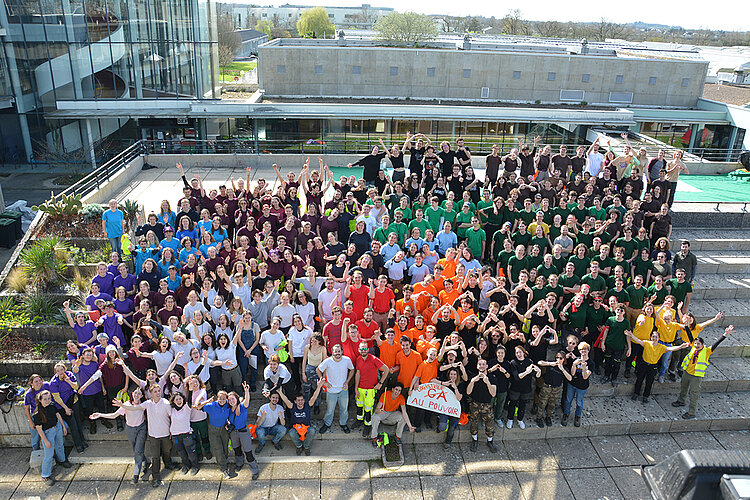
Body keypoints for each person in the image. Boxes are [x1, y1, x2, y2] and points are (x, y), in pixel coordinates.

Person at [114, 384, 175, 488]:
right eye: (155, 391)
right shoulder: (147, 404)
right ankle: (156, 477)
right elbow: (134, 408)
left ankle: (168, 464)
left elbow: (172, 417)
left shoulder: (166, 403)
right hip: (153, 435)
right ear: (151, 394)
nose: (158, 393)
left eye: (159, 391)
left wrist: (172, 431)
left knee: (166, 451)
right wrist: (122, 405)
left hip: (165, 433)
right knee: (155, 457)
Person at [90, 383, 150, 484]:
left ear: (142, 396)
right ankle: (145, 461)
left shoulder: (143, 405)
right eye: (135, 393)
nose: (136, 395)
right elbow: (114, 415)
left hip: (141, 429)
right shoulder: (126, 404)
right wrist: (100, 415)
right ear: (132, 394)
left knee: (137, 451)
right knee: (136, 449)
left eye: (139, 394)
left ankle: (136, 474)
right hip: (130, 429)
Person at [672, 325, 734, 419]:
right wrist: (686, 325)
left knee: (694, 393)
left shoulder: (707, 351)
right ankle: (681, 401)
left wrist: (725, 334)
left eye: (699, 344)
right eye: (695, 343)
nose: (696, 345)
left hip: (696, 376)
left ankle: (691, 412)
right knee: (683, 388)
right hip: (687, 372)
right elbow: (690, 335)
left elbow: (716, 343)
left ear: (703, 344)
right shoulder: (693, 347)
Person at [629, 331, 688, 404]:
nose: (654, 338)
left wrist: (680, 347)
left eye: (656, 337)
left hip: (652, 367)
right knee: (639, 380)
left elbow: (671, 348)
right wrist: (631, 335)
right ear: (651, 337)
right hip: (644, 365)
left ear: (659, 338)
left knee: (649, 382)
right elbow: (638, 340)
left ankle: (645, 396)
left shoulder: (661, 347)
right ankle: (636, 393)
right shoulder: (647, 343)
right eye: (653, 336)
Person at [32, 390, 72, 485]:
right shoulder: (37, 414)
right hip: (47, 432)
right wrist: (45, 441)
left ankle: (62, 460)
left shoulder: (52, 405)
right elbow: (39, 430)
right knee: (49, 455)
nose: (47, 401)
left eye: (49, 398)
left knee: (60, 445)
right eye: (45, 399)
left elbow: (57, 415)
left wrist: (63, 427)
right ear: (40, 400)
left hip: (57, 427)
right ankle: (45, 475)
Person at [277, 379, 325, 456]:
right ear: (295, 401)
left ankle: (306, 447)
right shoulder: (292, 406)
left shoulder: (307, 405)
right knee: (291, 432)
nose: (300, 402)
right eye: (298, 400)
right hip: (295, 429)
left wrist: (319, 386)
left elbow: (314, 397)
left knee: (312, 430)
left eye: (302, 400)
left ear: (304, 400)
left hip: (306, 428)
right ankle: (299, 446)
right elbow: (286, 400)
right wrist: (280, 392)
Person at [316, 344, 355, 434]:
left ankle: (343, 423)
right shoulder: (328, 361)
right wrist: (324, 381)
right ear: (332, 352)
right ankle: (327, 423)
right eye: (335, 351)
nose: (337, 353)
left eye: (339, 351)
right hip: (331, 390)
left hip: (343, 390)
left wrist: (347, 381)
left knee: (344, 409)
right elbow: (318, 370)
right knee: (330, 410)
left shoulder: (347, 360)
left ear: (342, 352)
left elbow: (352, 370)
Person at [353, 341, 389, 436]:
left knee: (368, 409)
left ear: (368, 349)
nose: (363, 350)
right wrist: (356, 388)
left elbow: (386, 369)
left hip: (370, 389)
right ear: (359, 350)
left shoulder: (374, 359)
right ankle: (359, 420)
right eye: (361, 349)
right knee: (359, 406)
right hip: (360, 388)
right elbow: (358, 373)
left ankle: (367, 425)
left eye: (365, 348)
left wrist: (380, 383)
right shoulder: (358, 359)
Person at [226, 383, 260, 479]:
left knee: (248, 451)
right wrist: (228, 424)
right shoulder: (229, 409)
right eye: (229, 400)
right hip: (234, 433)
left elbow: (247, 400)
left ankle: (254, 469)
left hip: (243, 432)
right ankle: (239, 463)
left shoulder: (242, 407)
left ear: (237, 398)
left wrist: (246, 391)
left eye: (233, 399)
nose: (231, 401)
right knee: (237, 450)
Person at [467, 358, 497, 452]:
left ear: (487, 366)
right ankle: (474, 440)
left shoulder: (492, 377)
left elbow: (493, 394)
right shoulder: (473, 377)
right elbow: (468, 392)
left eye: (483, 364)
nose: (481, 366)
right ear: (477, 366)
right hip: (475, 404)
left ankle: (490, 441)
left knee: (489, 424)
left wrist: (487, 382)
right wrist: (472, 381)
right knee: (473, 423)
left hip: (487, 405)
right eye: (480, 364)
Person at [562, 342, 593, 427]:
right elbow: (572, 374)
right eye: (582, 349)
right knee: (568, 400)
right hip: (572, 384)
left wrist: (584, 368)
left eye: (585, 349)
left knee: (579, 402)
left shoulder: (591, 363)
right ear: (579, 351)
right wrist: (574, 364)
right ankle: (566, 414)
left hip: (582, 386)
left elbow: (585, 377)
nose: (584, 351)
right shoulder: (576, 360)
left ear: (588, 350)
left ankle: (577, 416)